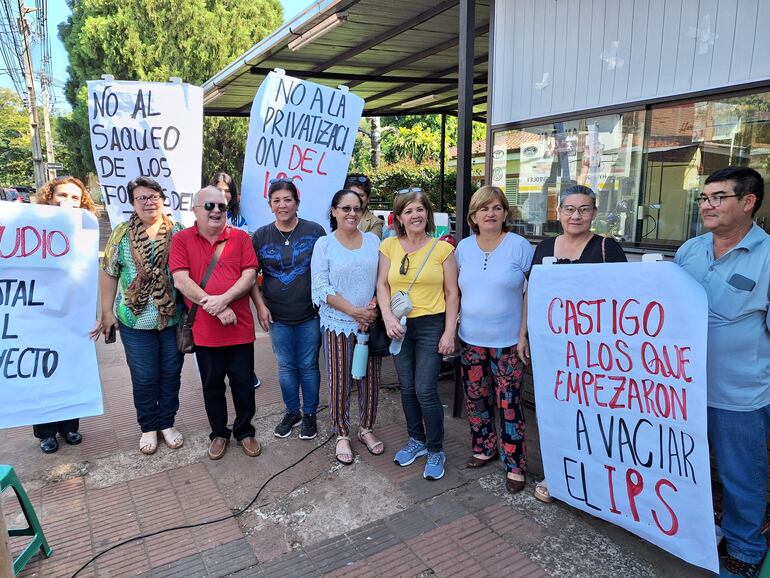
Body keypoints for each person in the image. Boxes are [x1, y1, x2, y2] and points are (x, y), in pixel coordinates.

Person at [675, 167, 770, 578]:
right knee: (684, 465)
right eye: (703, 198)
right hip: (680, 390)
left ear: (748, 202)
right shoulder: (689, 250)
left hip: (739, 394)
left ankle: (746, 550)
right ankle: (698, 531)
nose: (707, 206)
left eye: (718, 198)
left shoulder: (768, 257)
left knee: (740, 474)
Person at [518, 184, 626, 501]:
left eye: (583, 209)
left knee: (595, 418)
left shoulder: (608, 248)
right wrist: (523, 332)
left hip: (596, 354)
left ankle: (597, 483)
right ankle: (559, 476)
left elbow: (623, 301)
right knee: (555, 415)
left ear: (594, 213)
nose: (575, 215)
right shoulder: (544, 248)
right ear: (559, 212)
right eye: (569, 209)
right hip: (553, 349)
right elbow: (531, 294)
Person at [170, 186, 261, 460]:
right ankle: (219, 433)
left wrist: (223, 300)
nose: (217, 211)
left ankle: (245, 431)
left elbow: (249, 274)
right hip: (205, 331)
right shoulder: (182, 240)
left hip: (240, 329)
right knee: (212, 385)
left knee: (243, 384)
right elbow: (181, 280)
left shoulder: (241, 237)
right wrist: (216, 306)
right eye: (209, 206)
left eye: (222, 206)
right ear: (195, 210)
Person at [455, 186, 534, 493]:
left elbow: (532, 291)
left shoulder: (519, 246)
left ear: (505, 213)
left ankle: (514, 464)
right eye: (483, 209)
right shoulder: (463, 248)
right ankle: (484, 447)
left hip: (508, 343)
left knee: (510, 403)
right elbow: (456, 291)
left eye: (497, 208)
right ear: (473, 216)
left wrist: (523, 333)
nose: (490, 214)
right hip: (471, 339)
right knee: (476, 398)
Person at [99, 177, 186, 455]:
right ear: (132, 203)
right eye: (141, 198)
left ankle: (167, 424)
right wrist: (107, 312)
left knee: (171, 374)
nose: (149, 202)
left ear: (162, 198)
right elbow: (110, 272)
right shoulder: (121, 233)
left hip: (172, 319)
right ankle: (148, 426)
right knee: (145, 376)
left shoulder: (179, 231)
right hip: (134, 321)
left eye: (153, 196)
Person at [377, 188, 459, 480]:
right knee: (407, 387)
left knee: (425, 389)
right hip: (399, 325)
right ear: (399, 217)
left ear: (428, 214)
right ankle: (417, 441)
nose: (415, 215)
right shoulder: (388, 247)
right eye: (409, 211)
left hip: (431, 325)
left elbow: (452, 293)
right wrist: (387, 317)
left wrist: (449, 332)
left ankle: (436, 449)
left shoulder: (443, 250)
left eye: (420, 210)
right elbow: (382, 285)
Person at [311, 189, 382, 464]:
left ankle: (366, 428)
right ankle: (341, 433)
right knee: (339, 380)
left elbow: (382, 280)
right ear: (334, 211)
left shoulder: (374, 241)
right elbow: (320, 287)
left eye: (357, 208)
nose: (352, 213)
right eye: (345, 208)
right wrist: (354, 312)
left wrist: (373, 307)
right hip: (338, 322)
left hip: (369, 323)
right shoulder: (324, 245)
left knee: (370, 379)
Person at [251, 179, 325, 440]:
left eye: (287, 199)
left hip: (310, 314)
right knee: (285, 366)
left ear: (297, 202)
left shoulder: (315, 232)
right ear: (270, 205)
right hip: (277, 315)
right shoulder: (260, 236)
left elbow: (326, 270)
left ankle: (310, 414)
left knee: (308, 365)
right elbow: (250, 276)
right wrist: (260, 306)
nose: (282, 205)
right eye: (277, 200)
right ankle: (292, 411)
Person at [32, 176, 96, 453]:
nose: (68, 201)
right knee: (40, 373)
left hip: (72, 312)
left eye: (74, 197)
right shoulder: (30, 224)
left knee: (70, 369)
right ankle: (45, 432)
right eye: (62, 195)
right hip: (36, 312)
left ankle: (70, 426)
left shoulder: (85, 228)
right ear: (49, 196)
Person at [209, 171, 261, 389]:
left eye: (227, 191)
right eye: (219, 189)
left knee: (239, 331)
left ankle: (245, 374)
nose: (223, 194)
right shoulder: (203, 216)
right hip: (210, 288)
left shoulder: (241, 221)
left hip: (238, 287)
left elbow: (247, 258)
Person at [345, 173, 383, 238]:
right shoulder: (335, 215)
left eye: (361, 195)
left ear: (368, 198)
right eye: (352, 194)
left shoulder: (375, 223)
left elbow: (371, 245)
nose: (356, 198)